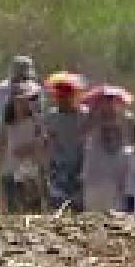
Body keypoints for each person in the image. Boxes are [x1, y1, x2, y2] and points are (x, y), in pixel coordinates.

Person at [0, 79, 50, 214]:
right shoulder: (8, 125)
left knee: (33, 212)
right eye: (21, 100)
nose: (25, 103)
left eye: (28, 100)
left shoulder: (36, 122)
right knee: (11, 212)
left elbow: (45, 142)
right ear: (14, 101)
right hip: (9, 174)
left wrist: (31, 147)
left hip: (30, 174)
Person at [80, 84, 135, 214]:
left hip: (117, 174)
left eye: (111, 99)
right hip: (95, 173)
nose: (108, 103)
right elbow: (82, 133)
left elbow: (132, 139)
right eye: (105, 100)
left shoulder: (126, 117)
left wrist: (117, 123)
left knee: (116, 213)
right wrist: (96, 119)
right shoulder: (91, 116)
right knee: (93, 212)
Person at [43, 71, 89, 212]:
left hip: (81, 165)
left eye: (66, 95)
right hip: (59, 166)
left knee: (79, 206)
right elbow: (48, 138)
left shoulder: (85, 115)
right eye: (59, 96)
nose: (62, 99)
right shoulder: (51, 116)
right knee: (58, 204)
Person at [0, 55, 37, 155]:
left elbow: (39, 121)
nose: (22, 80)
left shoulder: (36, 92)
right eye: (18, 77)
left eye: (25, 78)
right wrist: (0, 145)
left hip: (28, 150)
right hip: (3, 148)